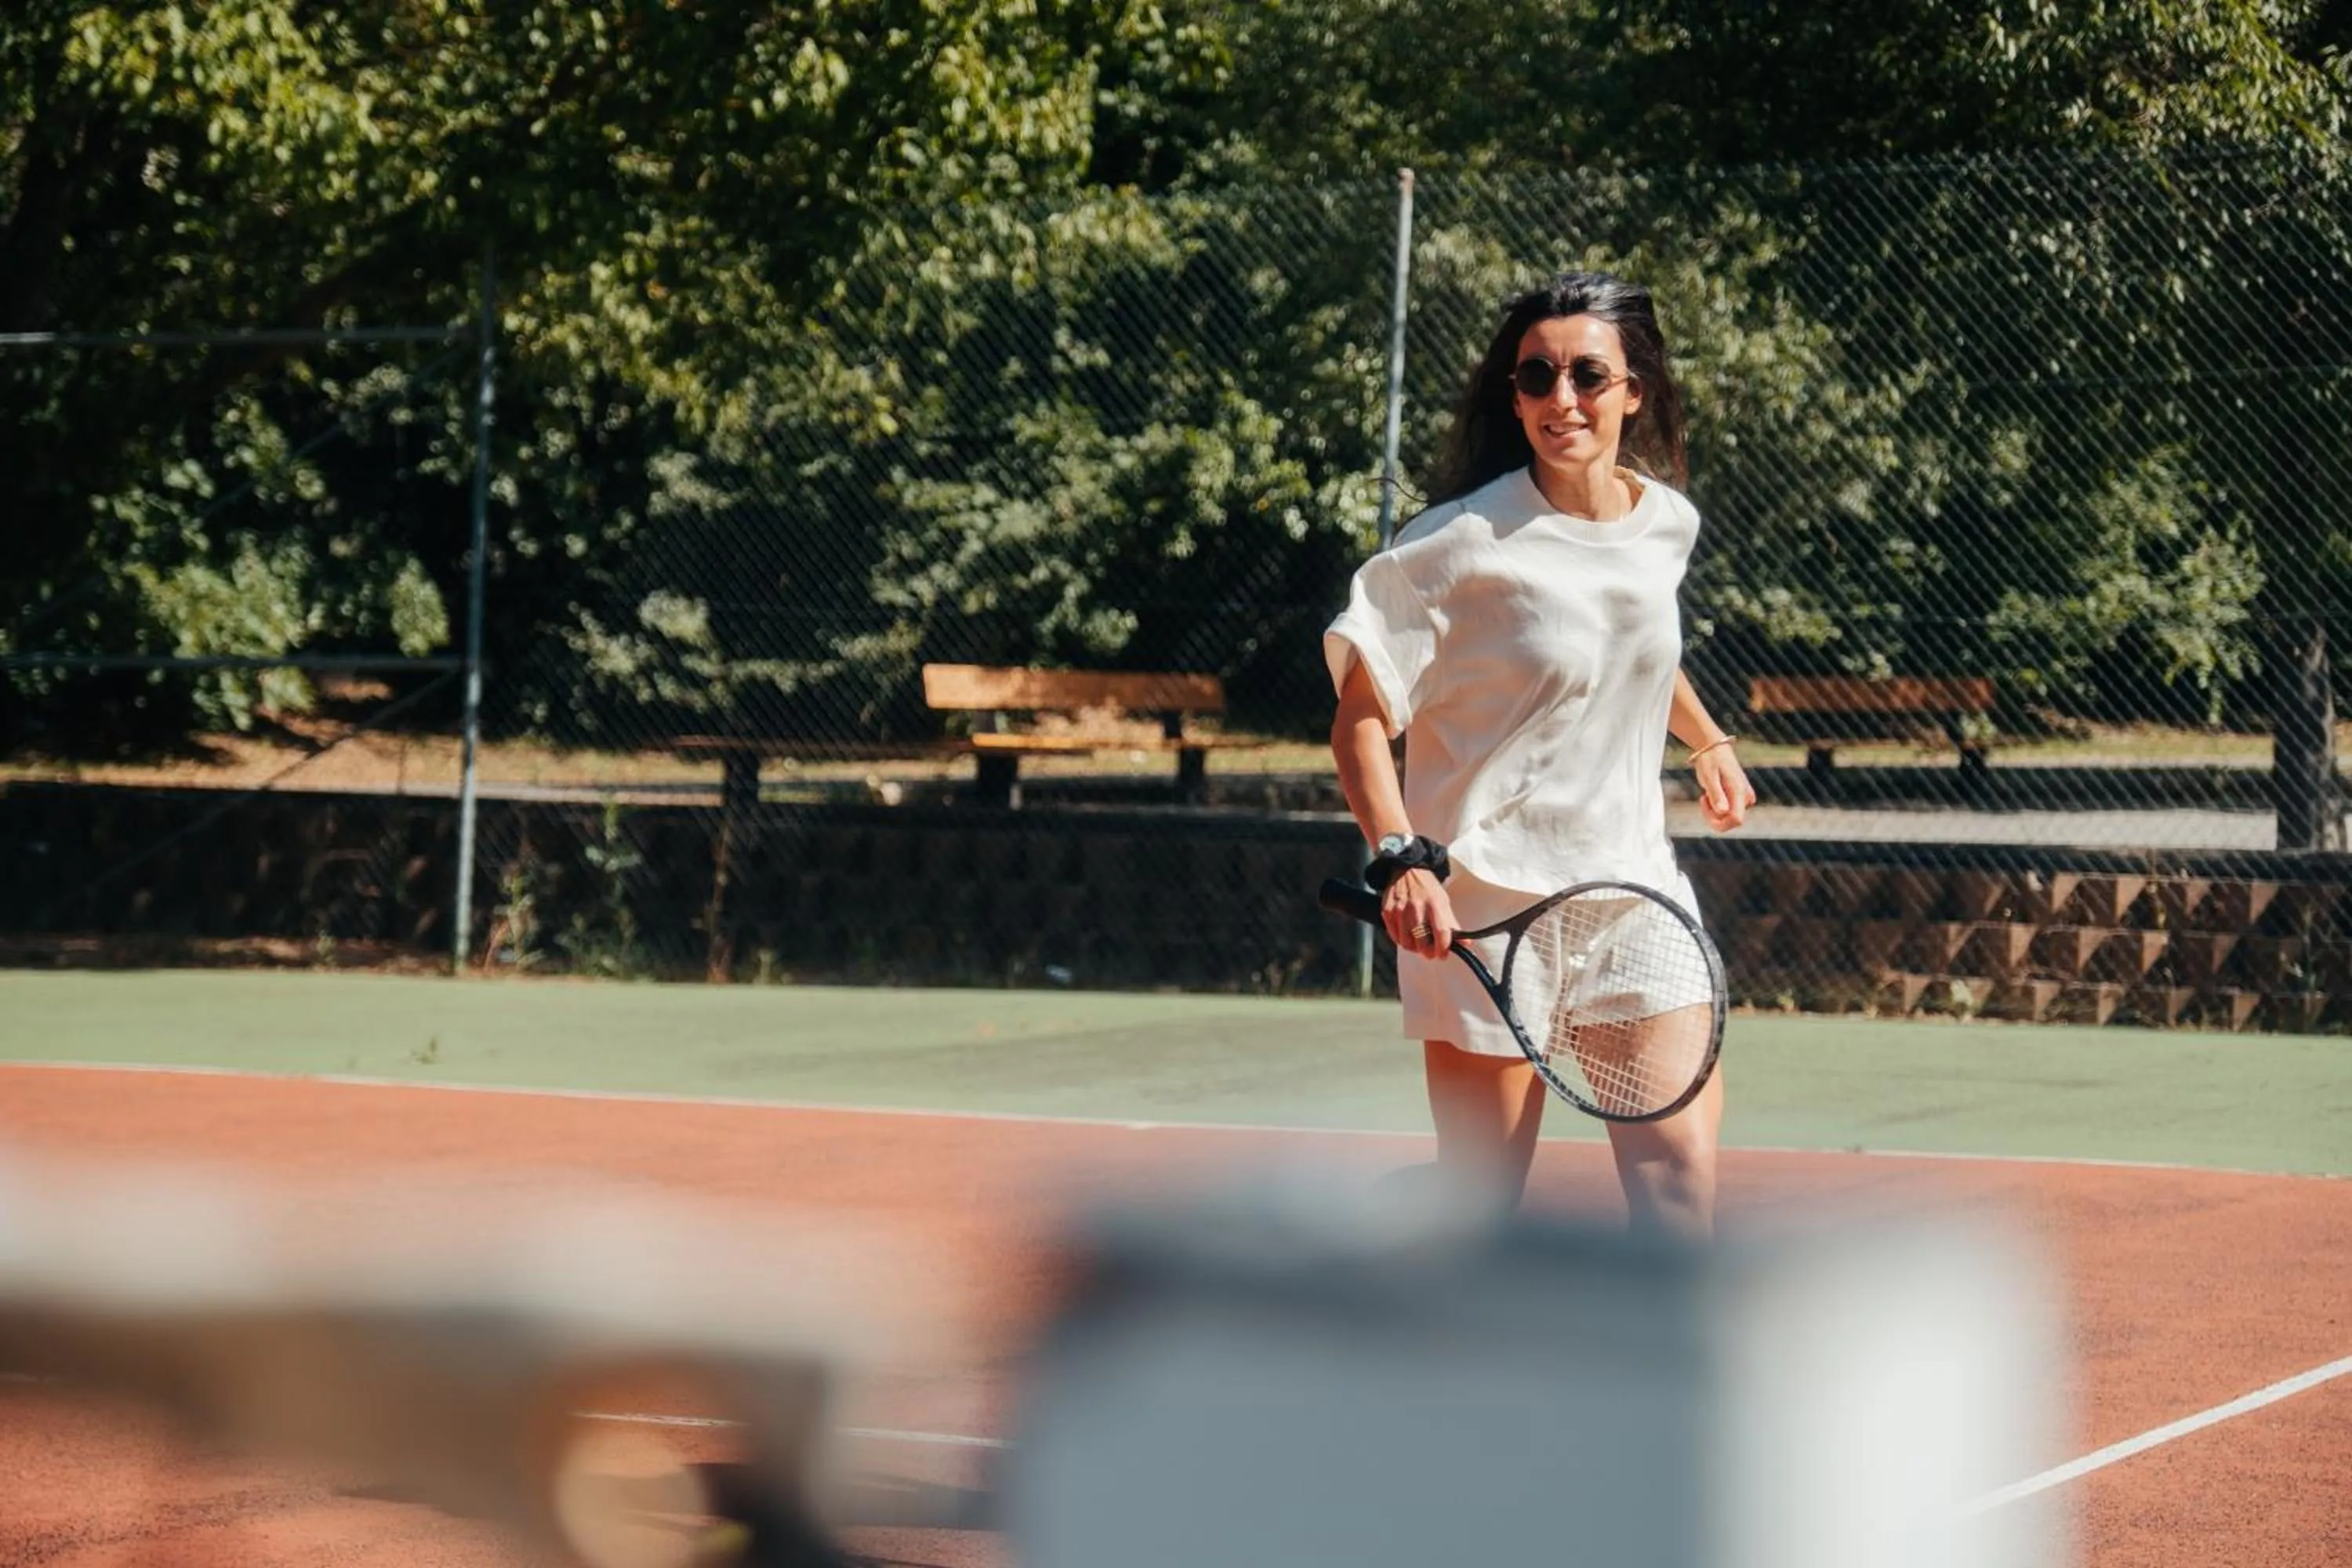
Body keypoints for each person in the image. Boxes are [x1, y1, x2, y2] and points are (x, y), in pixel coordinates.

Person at [1324, 270, 1755, 1238]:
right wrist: (1399, 854)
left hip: (1635, 899)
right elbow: (1360, 718)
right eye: (1537, 377)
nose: (1562, 399)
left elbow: (1628, 638)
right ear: (1513, 396)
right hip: (1481, 910)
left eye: (1588, 375)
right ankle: (1376, 1246)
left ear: (1633, 389)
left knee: (1680, 1181)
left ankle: (1659, 1385)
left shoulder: (1665, 525)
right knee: (1478, 1208)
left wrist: (1706, 738)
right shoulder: (1452, 548)